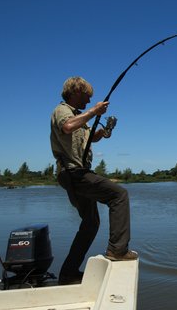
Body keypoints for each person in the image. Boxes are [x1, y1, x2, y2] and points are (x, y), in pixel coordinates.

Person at [50, 76, 137, 285]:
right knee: (119, 195)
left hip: (76, 174)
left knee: (90, 223)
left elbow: (90, 137)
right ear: (76, 92)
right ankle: (117, 250)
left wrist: (104, 131)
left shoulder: (81, 116)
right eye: (87, 97)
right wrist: (94, 112)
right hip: (73, 173)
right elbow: (68, 127)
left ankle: (68, 274)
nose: (89, 102)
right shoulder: (62, 110)